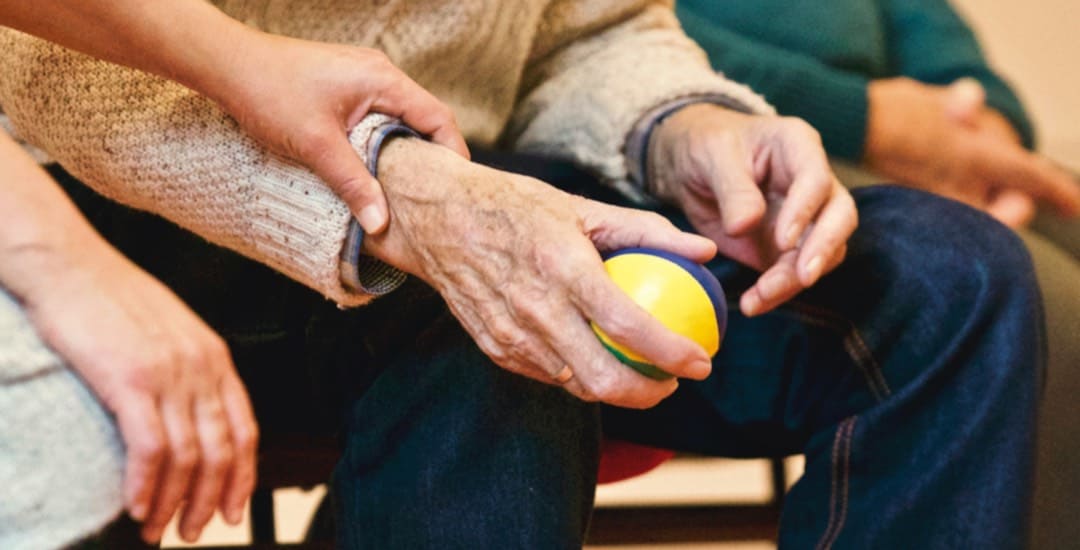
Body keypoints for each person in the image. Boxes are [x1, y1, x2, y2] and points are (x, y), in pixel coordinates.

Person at [0, 1, 1046, 548]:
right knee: (496, 320)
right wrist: (398, 198)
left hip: (491, 180)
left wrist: (688, 128)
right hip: (149, 198)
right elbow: (45, 55)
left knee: (953, 283)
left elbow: (587, 28)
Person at [0, 0, 467, 546]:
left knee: (501, 313)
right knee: (65, 443)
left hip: (369, 159)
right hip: (80, 166)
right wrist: (65, 263)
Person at [674, 2, 1080, 546]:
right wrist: (867, 120)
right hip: (719, 143)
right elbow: (608, 36)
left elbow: (931, 28)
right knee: (1003, 286)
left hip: (890, 148)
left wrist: (983, 134)